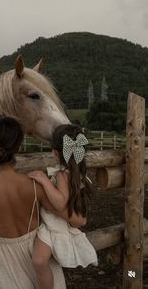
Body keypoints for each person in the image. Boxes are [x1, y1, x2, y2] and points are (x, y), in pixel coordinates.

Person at [0, 117, 86, 289]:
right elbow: (77, 220)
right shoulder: (35, 185)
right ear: (19, 148)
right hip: (37, 262)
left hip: (2, 265)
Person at [28, 124, 98, 289]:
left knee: (38, 261)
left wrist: (44, 180)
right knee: (39, 261)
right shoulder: (78, 174)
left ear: (55, 152)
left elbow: (59, 203)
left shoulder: (61, 174)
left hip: (53, 226)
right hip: (61, 225)